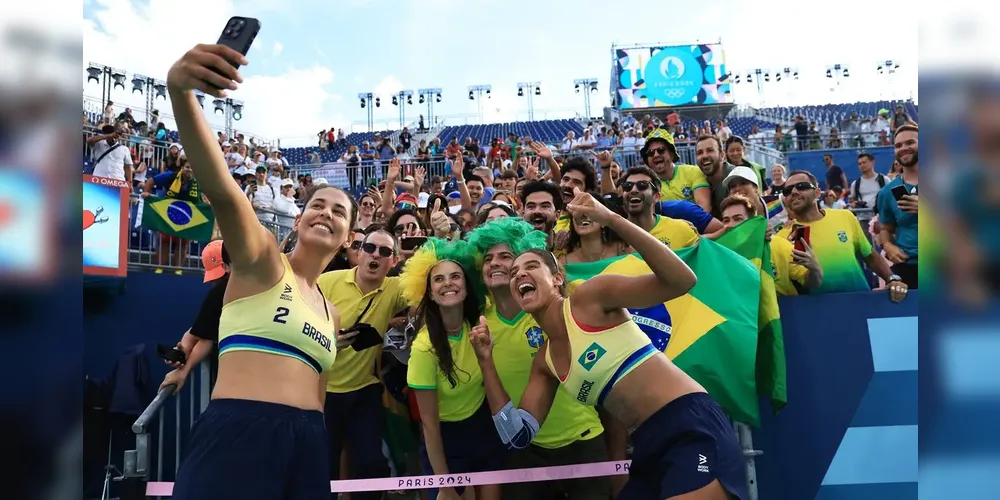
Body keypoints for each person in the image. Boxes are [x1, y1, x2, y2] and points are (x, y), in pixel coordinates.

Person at [166, 43, 357, 499]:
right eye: (317, 205)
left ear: (349, 235)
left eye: (339, 211)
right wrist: (180, 92)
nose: (326, 213)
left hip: (309, 443)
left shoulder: (331, 311)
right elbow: (224, 190)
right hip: (240, 434)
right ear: (301, 215)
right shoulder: (264, 260)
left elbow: (319, 395)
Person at [469, 188, 749, 500]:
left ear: (557, 278)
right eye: (515, 272)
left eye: (531, 266)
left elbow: (682, 281)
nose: (520, 273)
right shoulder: (545, 362)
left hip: (690, 423)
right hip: (647, 441)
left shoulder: (590, 298)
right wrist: (485, 362)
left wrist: (610, 218)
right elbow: (517, 437)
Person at [466, 218, 612, 500]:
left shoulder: (558, 306)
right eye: (488, 258)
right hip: (524, 450)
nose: (495, 263)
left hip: (583, 440)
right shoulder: (477, 323)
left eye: (506, 256)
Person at [401, 238, 504, 500]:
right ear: (431, 294)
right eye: (439, 279)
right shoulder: (424, 348)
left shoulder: (479, 326)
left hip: (483, 429)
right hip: (445, 438)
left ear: (467, 288)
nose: (448, 283)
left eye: (456, 276)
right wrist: (445, 485)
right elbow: (430, 426)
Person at [159, 240, 231, 393]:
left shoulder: (219, 291)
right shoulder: (220, 292)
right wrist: (182, 353)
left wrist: (184, 367)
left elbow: (205, 338)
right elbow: (198, 333)